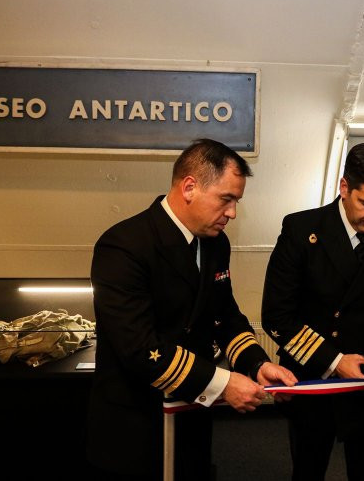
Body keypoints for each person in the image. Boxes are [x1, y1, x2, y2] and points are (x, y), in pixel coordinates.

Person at [86, 138, 297, 480]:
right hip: (137, 421)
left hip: (192, 407)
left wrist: (256, 364)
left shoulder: (215, 243)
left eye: (236, 201)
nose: (232, 212)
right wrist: (223, 383)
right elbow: (140, 349)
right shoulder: (124, 246)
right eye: (226, 199)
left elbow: (224, 314)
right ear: (189, 188)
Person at [262, 141, 364, 480]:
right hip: (314, 378)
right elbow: (277, 316)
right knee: (309, 469)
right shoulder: (301, 230)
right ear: (344, 187)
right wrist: (337, 361)